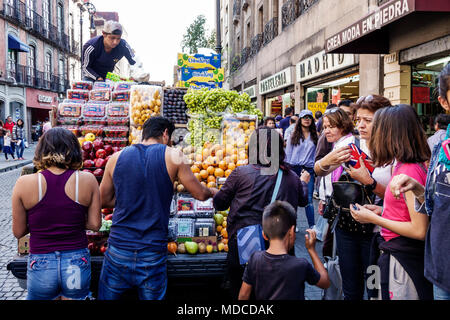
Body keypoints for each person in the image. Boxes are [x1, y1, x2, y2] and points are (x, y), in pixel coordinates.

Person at [98, 117, 217, 300]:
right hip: (151, 251)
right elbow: (200, 194)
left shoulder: (116, 158)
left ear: (142, 134)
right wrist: (213, 191)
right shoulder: (173, 155)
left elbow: (104, 200)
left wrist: (130, 198)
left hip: (118, 249)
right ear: (165, 134)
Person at [213, 126, 310, 300]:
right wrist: (303, 182)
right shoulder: (291, 177)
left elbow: (219, 203)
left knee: (242, 291)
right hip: (281, 246)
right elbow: (303, 200)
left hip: (244, 245)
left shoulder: (241, 173)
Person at [350, 104, 433, 300]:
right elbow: (408, 211)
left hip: (403, 258)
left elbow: (419, 230)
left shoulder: (409, 170)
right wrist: (380, 211)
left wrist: (373, 218)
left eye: (377, 127)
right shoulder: (404, 165)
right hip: (394, 251)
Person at [11, 127, 101, 300]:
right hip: (76, 261)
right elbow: (95, 224)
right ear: (74, 150)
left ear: (41, 150)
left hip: (41, 262)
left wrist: (42, 221)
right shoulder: (87, 179)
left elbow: (18, 232)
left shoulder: (24, 183)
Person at [386, 63, 450, 300]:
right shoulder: (443, 149)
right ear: (444, 102)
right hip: (440, 270)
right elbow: (436, 205)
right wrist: (419, 190)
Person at [314, 108, 375, 300]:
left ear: (342, 125)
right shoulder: (340, 144)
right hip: (348, 215)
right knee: (356, 274)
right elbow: (325, 174)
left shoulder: (348, 145)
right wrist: (325, 199)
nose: (327, 131)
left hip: (358, 216)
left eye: (331, 126)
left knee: (360, 275)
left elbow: (321, 170)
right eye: (325, 127)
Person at [238, 201, 329, 300]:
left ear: (264, 235)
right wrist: (312, 250)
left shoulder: (254, 259)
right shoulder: (301, 265)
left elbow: (243, 295)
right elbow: (325, 282)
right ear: (291, 231)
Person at [285, 109, 318, 230]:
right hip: (294, 169)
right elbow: (288, 154)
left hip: (309, 169)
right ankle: (293, 224)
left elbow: (316, 154)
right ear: (300, 120)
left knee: (308, 198)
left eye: (309, 117)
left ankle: (312, 225)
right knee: (293, 197)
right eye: (305, 117)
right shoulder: (293, 135)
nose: (307, 119)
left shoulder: (315, 136)